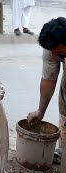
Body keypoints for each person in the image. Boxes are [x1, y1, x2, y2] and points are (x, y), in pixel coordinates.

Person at [27, 17, 66, 164]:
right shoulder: (52, 47)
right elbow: (48, 79)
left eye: (60, 54)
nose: (56, 56)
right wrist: (40, 111)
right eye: (53, 52)